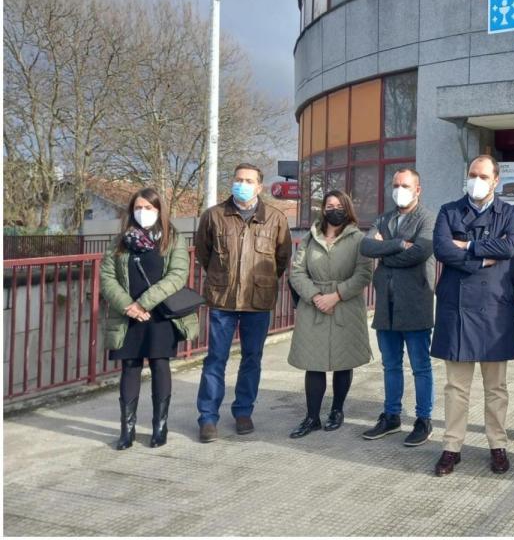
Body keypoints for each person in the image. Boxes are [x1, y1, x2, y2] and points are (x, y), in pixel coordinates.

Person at [431, 155, 514, 477]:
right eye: (472, 174)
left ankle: (497, 445)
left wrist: (467, 246)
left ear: (496, 180)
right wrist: (482, 258)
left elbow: (510, 247)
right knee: (456, 387)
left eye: (483, 175)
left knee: (496, 387)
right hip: (456, 309)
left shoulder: (510, 214)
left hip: (494, 310)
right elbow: (443, 249)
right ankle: (451, 446)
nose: (477, 180)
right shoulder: (449, 210)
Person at [193, 163, 293, 443]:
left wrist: (263, 280)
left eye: (249, 181)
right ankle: (208, 417)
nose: (243, 184)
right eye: (238, 179)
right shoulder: (214, 216)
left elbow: (281, 259)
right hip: (223, 300)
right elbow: (204, 253)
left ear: (259, 186)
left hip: (257, 302)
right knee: (215, 359)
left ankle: (243, 411)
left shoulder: (275, 218)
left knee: (252, 359)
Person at [100, 188, 199, 449]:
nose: (143, 212)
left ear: (159, 210)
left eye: (149, 208)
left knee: (159, 365)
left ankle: (159, 427)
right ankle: (127, 429)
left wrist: (144, 303)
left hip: (159, 315)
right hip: (127, 317)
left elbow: (177, 275)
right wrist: (128, 306)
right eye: (138, 207)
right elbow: (107, 278)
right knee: (129, 368)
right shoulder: (120, 241)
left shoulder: (172, 239)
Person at [359, 169, 438, 446]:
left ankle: (423, 419)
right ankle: (391, 416)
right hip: (386, 307)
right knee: (390, 365)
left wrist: (388, 253)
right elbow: (366, 246)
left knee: (420, 366)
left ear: (418, 189)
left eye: (405, 185)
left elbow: (420, 252)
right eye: (395, 185)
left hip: (415, 303)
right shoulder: (384, 218)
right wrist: (397, 245)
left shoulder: (427, 218)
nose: (399, 189)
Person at [287, 190, 372, 438]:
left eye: (339, 205)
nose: (334, 209)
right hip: (313, 305)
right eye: (329, 205)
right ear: (322, 209)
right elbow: (297, 272)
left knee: (342, 361)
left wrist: (336, 295)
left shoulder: (359, 239)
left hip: (345, 305)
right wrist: (315, 297)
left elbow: (363, 274)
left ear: (347, 208)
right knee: (313, 363)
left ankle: (337, 410)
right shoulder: (309, 238)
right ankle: (312, 416)